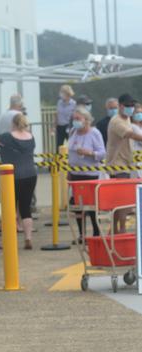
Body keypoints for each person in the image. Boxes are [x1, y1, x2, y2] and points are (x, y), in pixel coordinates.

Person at [0, 114, 37, 249]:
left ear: (12, 124)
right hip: (30, 174)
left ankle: (7, 241)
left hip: (11, 176)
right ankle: (28, 237)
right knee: (25, 208)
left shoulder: (7, 136)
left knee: (9, 208)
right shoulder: (31, 137)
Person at [67, 106, 105, 242]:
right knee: (77, 205)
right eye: (74, 119)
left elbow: (102, 153)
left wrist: (89, 153)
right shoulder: (73, 131)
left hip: (90, 175)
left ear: (86, 120)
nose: (75, 121)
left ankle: (96, 232)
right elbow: (70, 153)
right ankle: (81, 234)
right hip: (75, 174)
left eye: (78, 119)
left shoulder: (94, 133)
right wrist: (69, 171)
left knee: (91, 205)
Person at [105, 93, 142, 233]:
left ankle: (114, 230)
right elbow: (130, 134)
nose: (130, 108)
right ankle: (121, 229)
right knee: (122, 200)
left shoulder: (126, 118)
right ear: (120, 106)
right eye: (127, 105)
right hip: (117, 165)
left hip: (126, 163)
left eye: (132, 105)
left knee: (119, 200)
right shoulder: (117, 121)